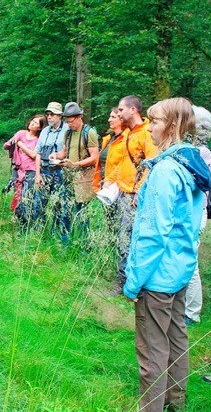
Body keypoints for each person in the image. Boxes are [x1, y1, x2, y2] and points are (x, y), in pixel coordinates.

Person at [124, 97, 211, 412]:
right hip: (180, 270)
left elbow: (152, 234)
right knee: (177, 339)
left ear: (173, 125)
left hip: (158, 276)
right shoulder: (191, 163)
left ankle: (152, 408)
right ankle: (176, 403)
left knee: (152, 351)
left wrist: (134, 282)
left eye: (156, 121)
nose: (150, 128)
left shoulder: (165, 171)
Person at [108, 95, 159, 295]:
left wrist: (140, 190)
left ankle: (127, 283)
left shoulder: (147, 132)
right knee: (122, 236)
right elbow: (122, 162)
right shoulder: (128, 133)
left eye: (121, 110)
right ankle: (126, 279)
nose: (118, 114)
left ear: (133, 110)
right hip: (121, 191)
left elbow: (151, 163)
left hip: (134, 196)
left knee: (128, 238)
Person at [184, 105, 211, 326]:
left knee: (190, 262)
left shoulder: (201, 153)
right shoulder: (193, 150)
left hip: (196, 213)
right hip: (190, 212)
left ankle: (192, 313)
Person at [51, 102, 99, 239]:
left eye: (71, 121)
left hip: (83, 179)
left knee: (82, 212)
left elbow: (95, 157)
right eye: (67, 121)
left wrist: (75, 164)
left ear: (79, 117)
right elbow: (64, 152)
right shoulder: (67, 133)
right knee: (65, 210)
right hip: (68, 178)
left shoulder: (89, 133)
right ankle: (65, 241)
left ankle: (84, 242)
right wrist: (56, 156)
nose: (69, 124)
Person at [32, 102, 70, 243]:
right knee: (39, 204)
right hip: (44, 170)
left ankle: (58, 236)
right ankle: (38, 234)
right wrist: (38, 174)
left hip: (59, 171)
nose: (49, 117)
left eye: (52, 114)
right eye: (47, 114)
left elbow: (68, 151)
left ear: (60, 115)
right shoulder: (44, 131)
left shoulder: (67, 130)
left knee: (59, 205)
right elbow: (38, 153)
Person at [3, 114, 45, 228]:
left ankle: (26, 224)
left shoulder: (38, 140)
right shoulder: (21, 133)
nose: (33, 123)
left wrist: (20, 144)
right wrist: (13, 142)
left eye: (36, 123)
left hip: (30, 171)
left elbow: (33, 155)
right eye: (33, 120)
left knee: (26, 197)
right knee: (17, 196)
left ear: (40, 128)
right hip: (17, 169)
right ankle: (19, 221)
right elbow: (6, 146)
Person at [93, 107, 127, 236]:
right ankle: (112, 249)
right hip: (106, 185)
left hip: (119, 186)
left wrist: (112, 179)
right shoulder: (108, 139)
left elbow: (125, 163)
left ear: (122, 118)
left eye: (113, 117)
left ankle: (121, 251)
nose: (109, 120)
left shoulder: (127, 138)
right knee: (110, 219)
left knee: (120, 220)